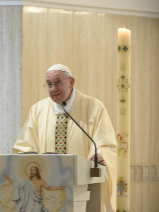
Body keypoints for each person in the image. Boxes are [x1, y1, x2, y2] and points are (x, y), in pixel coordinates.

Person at [13, 64, 117, 212]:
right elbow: (24, 148)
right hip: (47, 193)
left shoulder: (93, 107)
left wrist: (100, 156)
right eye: (49, 84)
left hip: (82, 185)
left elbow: (105, 144)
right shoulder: (38, 110)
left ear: (71, 82)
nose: (53, 89)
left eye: (57, 82)